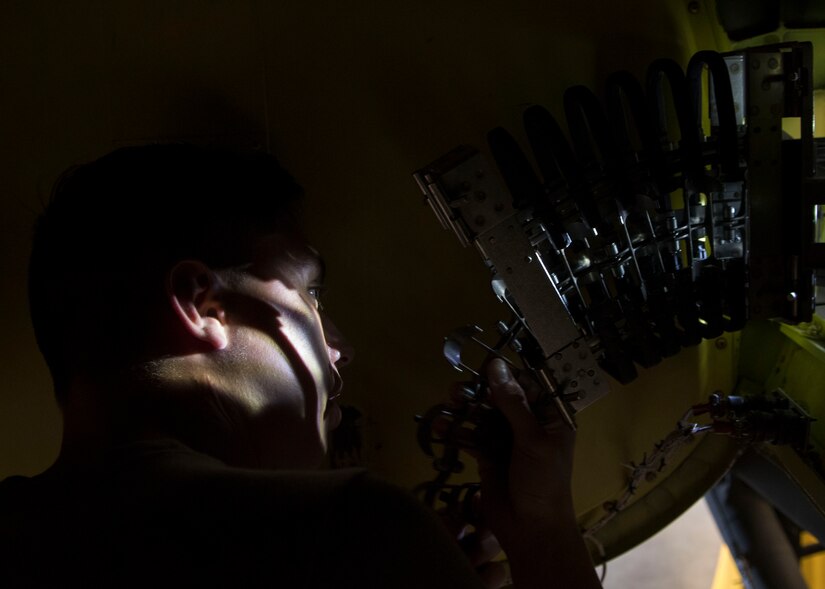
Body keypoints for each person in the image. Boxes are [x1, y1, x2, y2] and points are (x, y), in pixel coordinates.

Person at [1, 143, 602, 588]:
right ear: (200, 304)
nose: (337, 344)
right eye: (311, 293)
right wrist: (542, 531)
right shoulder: (359, 533)